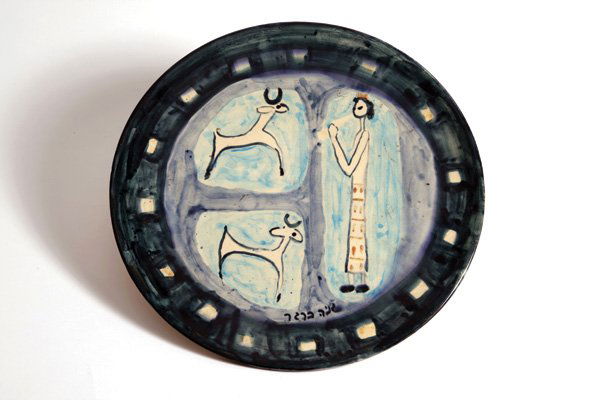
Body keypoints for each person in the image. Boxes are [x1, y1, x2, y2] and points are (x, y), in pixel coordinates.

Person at [328, 94, 374, 293]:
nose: (356, 110)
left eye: (360, 107)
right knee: (355, 234)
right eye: (356, 107)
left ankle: (360, 278)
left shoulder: (364, 135)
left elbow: (348, 168)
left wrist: (334, 140)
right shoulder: (360, 134)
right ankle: (353, 278)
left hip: (359, 187)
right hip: (357, 186)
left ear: (368, 110)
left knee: (357, 234)